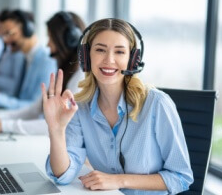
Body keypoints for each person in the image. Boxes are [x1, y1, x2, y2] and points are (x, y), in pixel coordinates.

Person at [41, 18, 194, 194]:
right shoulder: (80, 107)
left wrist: (118, 180)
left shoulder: (157, 104)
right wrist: (56, 129)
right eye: (100, 50)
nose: (109, 59)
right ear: (86, 56)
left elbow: (181, 178)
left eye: (120, 52)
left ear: (133, 60)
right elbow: (62, 175)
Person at [0, 11, 86, 135]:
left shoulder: (79, 76)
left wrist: (3, 124)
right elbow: (34, 109)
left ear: (70, 40)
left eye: (51, 38)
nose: (47, 44)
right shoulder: (64, 69)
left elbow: (59, 123)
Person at [0, 9, 57, 109]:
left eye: (10, 34)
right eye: (3, 35)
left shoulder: (46, 62)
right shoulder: (23, 58)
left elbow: (36, 108)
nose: (5, 40)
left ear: (28, 30)